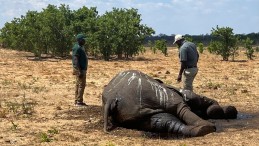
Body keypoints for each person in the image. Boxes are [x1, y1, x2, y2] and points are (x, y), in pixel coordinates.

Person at [72, 33, 88, 106]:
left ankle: (77, 100)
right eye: (83, 39)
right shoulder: (77, 48)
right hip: (80, 69)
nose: (85, 41)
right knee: (81, 85)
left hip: (81, 68)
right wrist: (79, 71)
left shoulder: (80, 47)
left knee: (78, 84)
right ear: (79, 40)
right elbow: (75, 60)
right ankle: (79, 102)